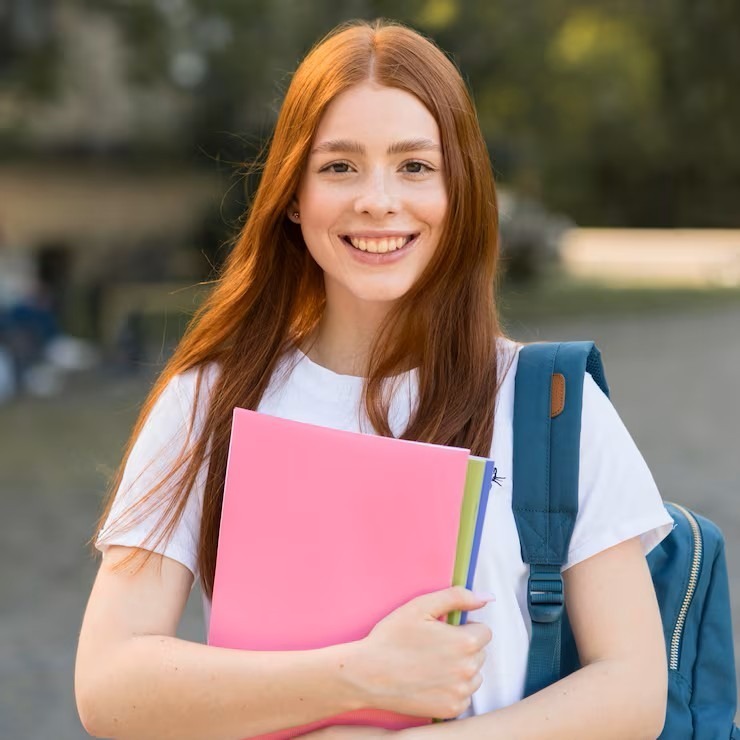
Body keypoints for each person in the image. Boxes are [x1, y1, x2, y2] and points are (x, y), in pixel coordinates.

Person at [75, 18, 674, 740]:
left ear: (462, 192)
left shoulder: (549, 404)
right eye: (340, 167)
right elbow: (108, 684)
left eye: (415, 166)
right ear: (293, 195)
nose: (378, 200)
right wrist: (357, 675)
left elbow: (633, 689)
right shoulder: (210, 400)